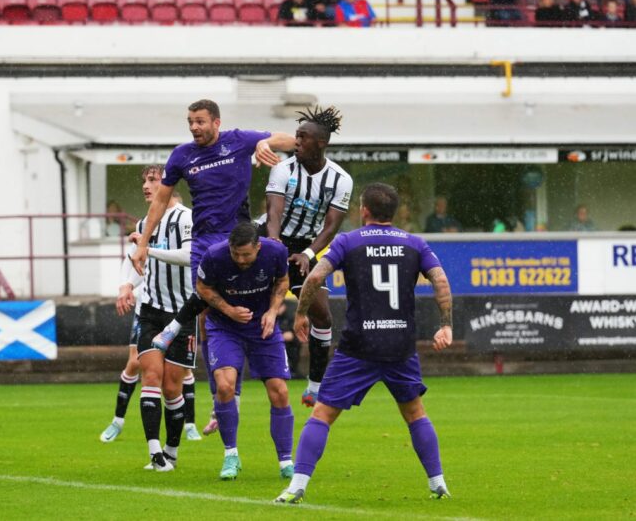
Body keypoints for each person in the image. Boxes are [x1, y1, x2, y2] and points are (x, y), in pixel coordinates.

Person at [274, 183, 454, 504]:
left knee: (322, 415)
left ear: (364, 211)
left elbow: (314, 277)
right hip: (399, 344)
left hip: (359, 345)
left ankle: (297, 486)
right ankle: (438, 482)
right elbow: (440, 279)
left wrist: (301, 314)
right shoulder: (414, 243)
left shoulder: (348, 241)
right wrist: (445, 326)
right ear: (393, 212)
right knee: (415, 413)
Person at [131, 99, 295, 435]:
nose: (194, 127)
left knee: (247, 308)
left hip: (239, 239)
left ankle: (180, 333)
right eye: (190, 121)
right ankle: (223, 402)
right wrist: (144, 242)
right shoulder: (182, 156)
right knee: (208, 316)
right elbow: (161, 199)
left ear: (216, 123)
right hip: (205, 243)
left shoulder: (238, 140)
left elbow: (292, 139)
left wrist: (265, 143)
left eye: (200, 121)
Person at [181, 222, 294, 480]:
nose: (241, 260)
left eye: (247, 255)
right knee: (224, 386)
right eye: (236, 254)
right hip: (224, 327)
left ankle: (285, 461)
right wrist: (229, 310)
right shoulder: (214, 256)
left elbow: (283, 281)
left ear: (258, 247)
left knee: (280, 390)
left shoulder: (275, 253)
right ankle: (230, 455)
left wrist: (272, 311)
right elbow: (202, 288)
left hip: (261, 326)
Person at [101, 166, 201, 446]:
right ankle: (151, 448)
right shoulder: (144, 223)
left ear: (167, 183)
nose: (146, 185)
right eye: (144, 180)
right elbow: (135, 259)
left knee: (173, 384)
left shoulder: (186, 218)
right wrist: (126, 285)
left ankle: (176, 443)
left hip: (182, 312)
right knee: (148, 373)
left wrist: (149, 249)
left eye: (153, 180)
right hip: (151, 308)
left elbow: (190, 256)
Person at [264, 105, 352, 408]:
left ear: (321, 143)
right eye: (296, 136)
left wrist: (308, 253)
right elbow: (273, 213)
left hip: (305, 247)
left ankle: (314, 387)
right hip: (270, 239)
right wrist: (274, 247)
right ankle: (223, 389)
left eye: (303, 137)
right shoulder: (283, 168)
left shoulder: (341, 179)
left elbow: (332, 226)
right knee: (245, 306)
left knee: (323, 314)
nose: (296, 141)